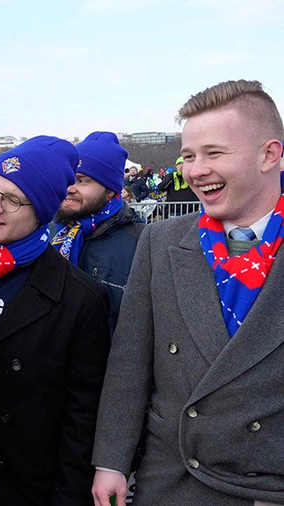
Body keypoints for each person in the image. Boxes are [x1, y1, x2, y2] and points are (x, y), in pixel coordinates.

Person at [91, 80, 284, 506]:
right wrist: (111, 461)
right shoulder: (160, 242)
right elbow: (130, 363)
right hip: (174, 480)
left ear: (269, 155)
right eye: (189, 156)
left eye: (214, 153)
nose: (195, 170)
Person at [0, 136, 111, 505]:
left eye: (12, 200)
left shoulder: (80, 299)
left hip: (24, 484)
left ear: (40, 211)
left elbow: (82, 418)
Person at [52, 132, 145, 333]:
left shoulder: (141, 242)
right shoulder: (48, 230)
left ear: (110, 190)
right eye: (68, 178)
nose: (69, 188)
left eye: (82, 181)